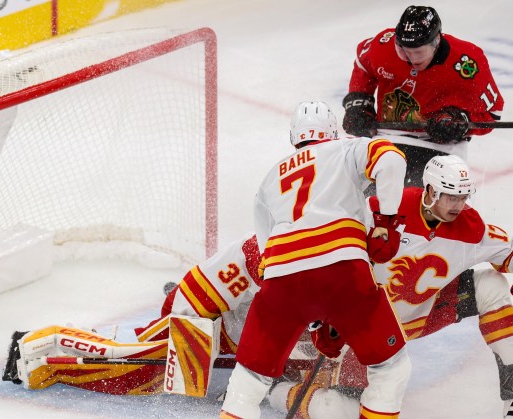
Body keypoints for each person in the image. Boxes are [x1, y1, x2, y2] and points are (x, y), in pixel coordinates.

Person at [268, 154, 513, 418]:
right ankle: (277, 391)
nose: (458, 205)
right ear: (430, 190)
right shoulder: (384, 210)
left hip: (423, 315)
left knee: (492, 286)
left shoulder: (472, 228)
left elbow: (507, 256)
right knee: (334, 410)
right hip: (363, 327)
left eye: (463, 197)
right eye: (450, 196)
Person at [220, 101, 411, 419]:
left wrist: (315, 319)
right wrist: (386, 222)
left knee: (249, 382)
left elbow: (273, 260)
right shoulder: (346, 148)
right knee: (390, 367)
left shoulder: (269, 179)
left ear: (294, 137)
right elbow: (391, 160)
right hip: (343, 272)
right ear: (333, 132)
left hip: (281, 284)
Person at [2, 232, 265, 394]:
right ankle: (44, 351)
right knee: (141, 374)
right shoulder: (264, 250)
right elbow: (199, 294)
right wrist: (181, 337)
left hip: (248, 332)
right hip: (213, 316)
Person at [342, 5, 504, 187]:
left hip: (441, 146)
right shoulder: (383, 44)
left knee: (428, 206)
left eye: (418, 52)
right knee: (359, 198)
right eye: (404, 51)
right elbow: (364, 66)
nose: (411, 59)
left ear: (436, 41)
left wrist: (460, 122)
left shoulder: (468, 62)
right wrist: (358, 104)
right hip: (387, 137)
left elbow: (493, 113)